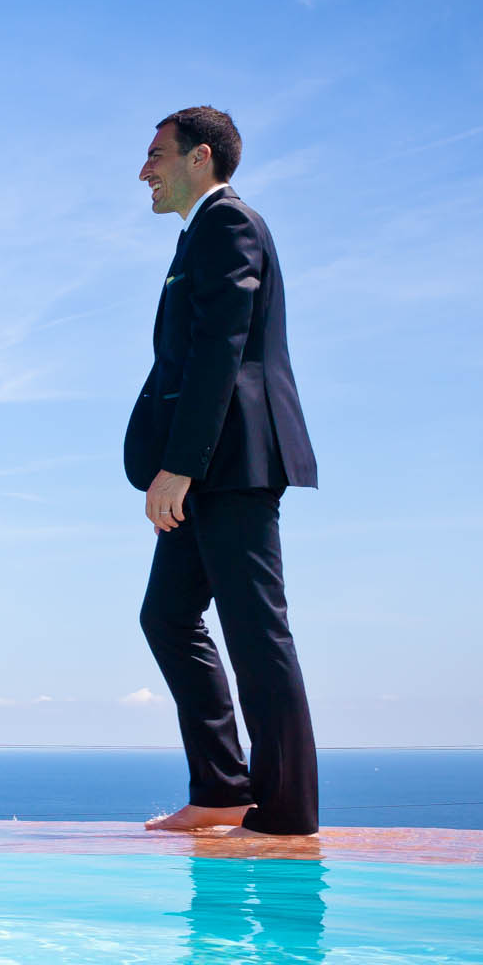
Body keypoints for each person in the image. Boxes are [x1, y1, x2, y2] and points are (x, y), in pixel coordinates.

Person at [127, 108, 319, 837]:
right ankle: (220, 789)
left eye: (155, 155)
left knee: (255, 630)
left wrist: (180, 465)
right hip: (205, 467)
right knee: (168, 614)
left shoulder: (227, 224)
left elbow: (221, 349)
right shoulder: (198, 235)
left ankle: (287, 812)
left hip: (231, 461)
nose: (144, 171)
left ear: (199, 157)